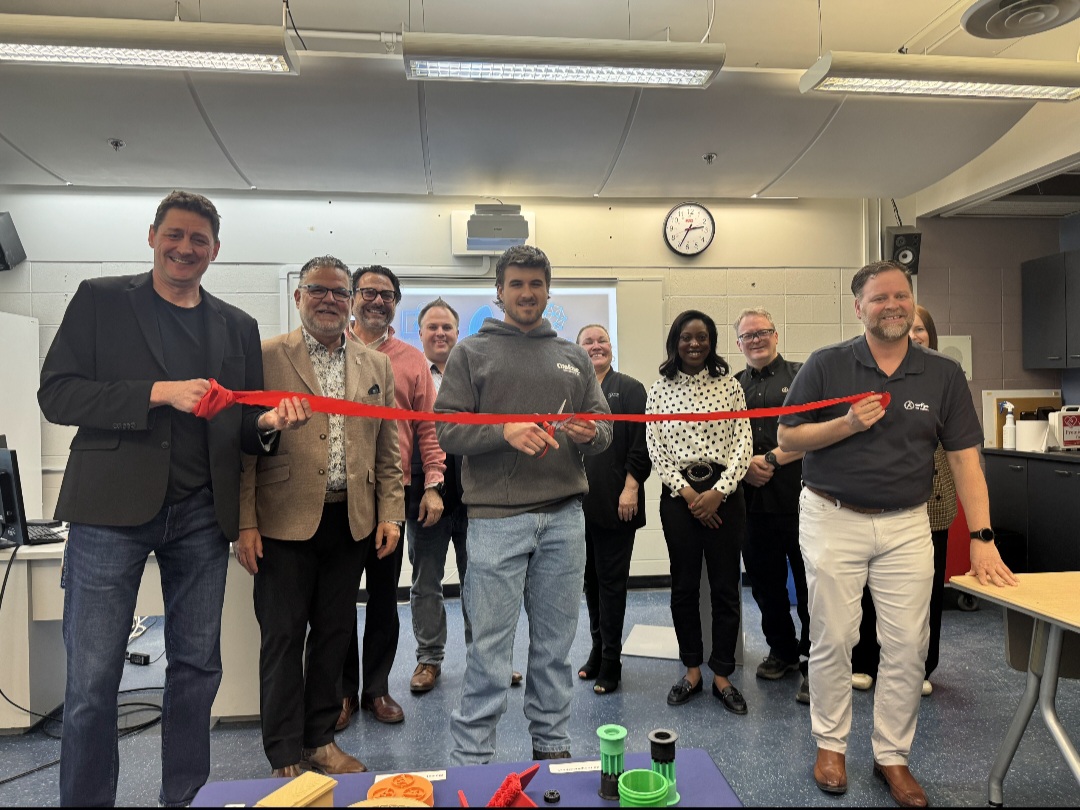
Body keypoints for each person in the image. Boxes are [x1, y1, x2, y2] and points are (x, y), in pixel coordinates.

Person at [37, 190, 311, 807]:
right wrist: (160, 391)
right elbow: (58, 396)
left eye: (199, 240)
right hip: (108, 512)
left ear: (215, 251)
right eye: (176, 235)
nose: (185, 248)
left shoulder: (236, 327)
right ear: (153, 235)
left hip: (198, 517)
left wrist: (270, 425)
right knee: (92, 680)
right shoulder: (101, 301)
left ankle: (186, 797)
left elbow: (240, 427)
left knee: (196, 671)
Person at [777, 260, 1018, 808]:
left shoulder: (941, 373)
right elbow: (787, 438)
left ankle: (892, 755)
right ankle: (831, 745)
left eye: (901, 296)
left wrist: (982, 535)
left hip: (907, 523)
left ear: (911, 304)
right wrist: (847, 423)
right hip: (832, 514)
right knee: (835, 636)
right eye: (879, 297)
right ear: (858, 307)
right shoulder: (827, 364)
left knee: (909, 644)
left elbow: (965, 460)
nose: (893, 305)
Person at [435, 245, 612, 764]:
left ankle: (553, 749)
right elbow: (447, 430)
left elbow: (603, 431)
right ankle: (473, 761)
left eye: (536, 284)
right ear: (500, 291)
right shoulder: (471, 353)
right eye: (516, 284)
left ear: (548, 291)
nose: (527, 293)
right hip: (495, 522)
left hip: (564, 520)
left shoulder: (574, 356)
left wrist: (589, 432)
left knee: (555, 651)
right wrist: (503, 431)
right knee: (489, 654)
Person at [236, 255, 404, 777]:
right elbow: (241, 448)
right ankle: (284, 750)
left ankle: (321, 740)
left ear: (350, 300)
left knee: (334, 634)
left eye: (338, 292)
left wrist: (390, 514)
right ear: (298, 297)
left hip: (349, 520)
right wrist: (244, 523)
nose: (329, 300)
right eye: (318, 290)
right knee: (282, 637)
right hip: (281, 522)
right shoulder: (264, 356)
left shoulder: (375, 365)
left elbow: (387, 450)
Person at [337, 265, 446, 728]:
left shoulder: (411, 359)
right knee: (337, 598)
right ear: (353, 297)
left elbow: (428, 428)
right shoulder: (330, 350)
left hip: (392, 493)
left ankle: (376, 689)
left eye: (387, 295)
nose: (377, 301)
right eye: (368, 292)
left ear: (396, 303)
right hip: (337, 495)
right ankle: (340, 693)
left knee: (384, 595)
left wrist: (435, 484)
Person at [407, 298, 524, 695]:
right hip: (425, 498)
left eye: (447, 328)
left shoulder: (473, 374)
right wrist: (430, 487)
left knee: (481, 582)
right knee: (426, 581)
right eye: (432, 327)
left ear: (459, 334)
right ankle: (429, 659)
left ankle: (487, 660)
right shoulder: (411, 376)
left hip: (477, 497)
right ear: (420, 333)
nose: (440, 334)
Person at [645, 310, 753, 715]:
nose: (694, 344)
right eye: (687, 337)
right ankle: (692, 670)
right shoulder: (659, 390)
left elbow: (743, 442)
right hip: (679, 497)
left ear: (712, 342)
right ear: (675, 341)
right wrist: (691, 494)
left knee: (726, 589)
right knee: (684, 589)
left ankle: (722, 675)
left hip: (726, 495)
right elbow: (656, 448)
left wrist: (719, 493)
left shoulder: (730, 386)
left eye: (702, 338)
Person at [850, 304, 955, 698]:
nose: (911, 336)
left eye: (919, 331)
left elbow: (960, 444)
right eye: (905, 330)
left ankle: (920, 666)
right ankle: (864, 662)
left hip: (931, 501)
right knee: (868, 587)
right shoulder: (870, 375)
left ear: (930, 336)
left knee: (923, 592)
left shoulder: (943, 378)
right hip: (878, 501)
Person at [732, 308, 810, 704]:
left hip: (799, 500)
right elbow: (723, 439)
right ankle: (782, 651)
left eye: (762, 333)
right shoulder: (732, 386)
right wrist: (746, 466)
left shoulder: (802, 376)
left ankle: (815, 662)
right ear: (738, 343)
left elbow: (816, 432)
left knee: (810, 584)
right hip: (751, 502)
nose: (756, 340)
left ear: (776, 336)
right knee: (765, 585)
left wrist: (774, 459)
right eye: (748, 336)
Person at [574, 323, 651, 695]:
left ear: (611, 346)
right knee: (590, 583)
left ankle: (612, 662)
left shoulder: (631, 389)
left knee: (611, 584)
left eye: (601, 340)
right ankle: (596, 650)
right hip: (578, 508)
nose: (595, 346)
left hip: (618, 504)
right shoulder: (574, 392)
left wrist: (631, 488)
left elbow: (642, 445)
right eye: (587, 341)